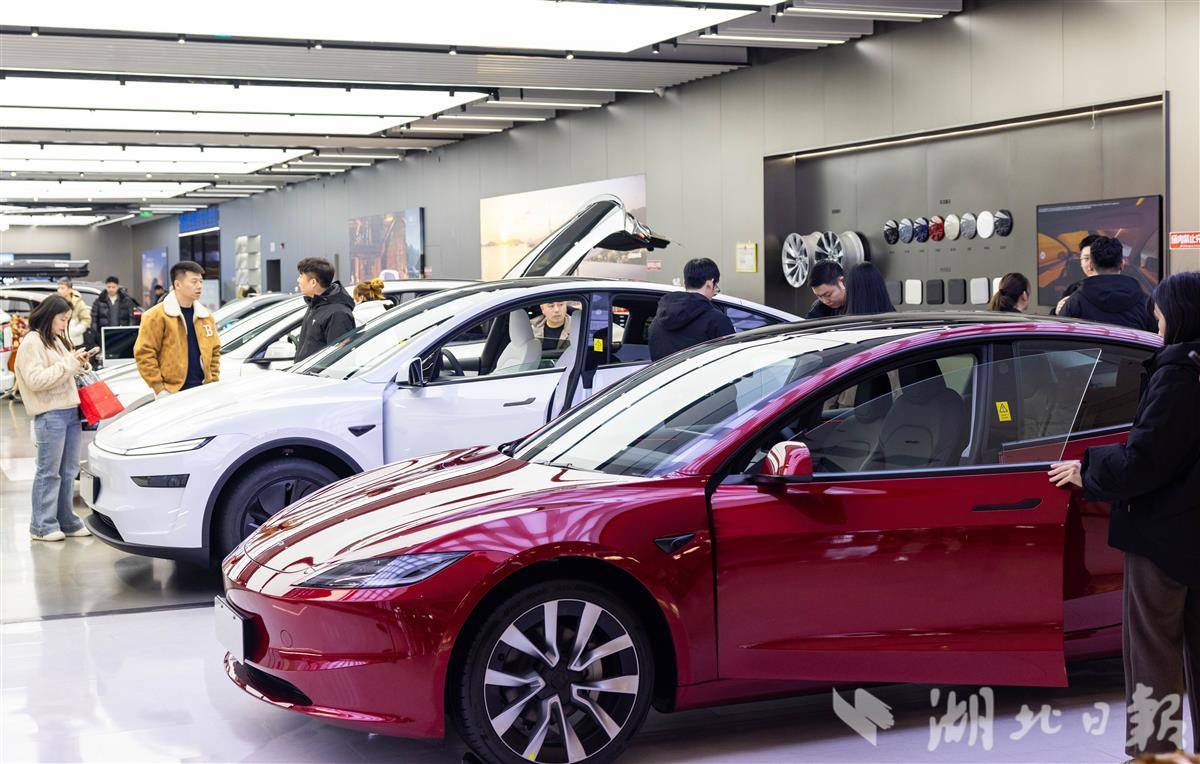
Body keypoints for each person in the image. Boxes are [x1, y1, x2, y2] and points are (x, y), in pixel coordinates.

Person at [1048, 272, 1200, 759]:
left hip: (1163, 533)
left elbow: (1146, 459)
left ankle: (1155, 750)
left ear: (1178, 313)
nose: (1155, 319)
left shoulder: (1178, 375)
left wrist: (1088, 467)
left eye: (1160, 311)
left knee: (1153, 649)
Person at [14, 295, 94, 542]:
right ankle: (42, 525)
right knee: (49, 472)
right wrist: (69, 364)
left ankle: (66, 520)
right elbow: (36, 380)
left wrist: (78, 363)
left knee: (68, 471)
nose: (64, 324)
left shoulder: (55, 340)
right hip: (50, 414)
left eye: (67, 319)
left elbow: (63, 372)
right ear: (49, 316)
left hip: (70, 411)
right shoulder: (32, 342)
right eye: (62, 319)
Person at [134, 261, 220, 397]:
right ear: (178, 284)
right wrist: (159, 388)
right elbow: (144, 353)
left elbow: (214, 351)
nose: (199, 286)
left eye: (201, 282)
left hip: (203, 390)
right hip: (172, 392)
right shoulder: (156, 316)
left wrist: (213, 380)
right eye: (194, 282)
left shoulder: (205, 316)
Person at [1055, 236, 1156, 331]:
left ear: (1091, 265)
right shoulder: (1145, 303)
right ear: (1122, 264)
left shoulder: (1075, 301)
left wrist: (1058, 312)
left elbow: (1060, 334)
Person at [648, 258, 735, 361]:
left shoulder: (657, 322)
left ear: (684, 283)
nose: (715, 291)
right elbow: (731, 361)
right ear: (710, 283)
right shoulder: (717, 321)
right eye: (716, 286)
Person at [294, 257, 356, 362]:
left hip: (319, 373)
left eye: (301, 276)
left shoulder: (338, 314)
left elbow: (338, 359)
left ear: (313, 282)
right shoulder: (316, 304)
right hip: (304, 371)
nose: (298, 280)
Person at [1051, 234, 1100, 316]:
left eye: (1095, 258)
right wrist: (1057, 312)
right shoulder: (1073, 289)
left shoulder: (1117, 289)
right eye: (1086, 258)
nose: (1090, 264)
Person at [56, 278, 92, 347]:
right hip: (59, 341)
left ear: (70, 290)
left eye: (62, 288)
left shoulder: (78, 302)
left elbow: (86, 319)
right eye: (58, 288)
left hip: (76, 341)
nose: (59, 290)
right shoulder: (55, 301)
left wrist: (76, 330)